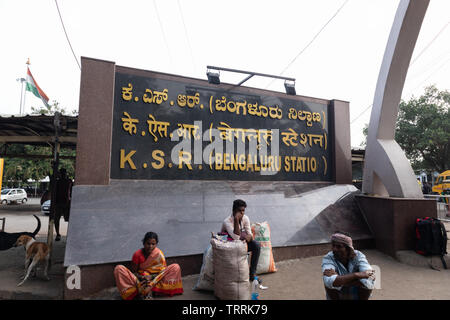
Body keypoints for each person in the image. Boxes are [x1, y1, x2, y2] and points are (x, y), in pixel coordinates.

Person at [114, 232, 184, 300]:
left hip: (156, 279)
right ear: (143, 243)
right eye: (148, 243)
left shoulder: (159, 254)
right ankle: (145, 291)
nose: (150, 246)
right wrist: (143, 277)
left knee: (175, 267)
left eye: (153, 244)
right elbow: (133, 272)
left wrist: (151, 277)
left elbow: (163, 272)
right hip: (141, 280)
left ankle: (147, 290)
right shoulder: (137, 254)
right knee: (119, 268)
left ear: (156, 244)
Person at [322, 231, 375, 300]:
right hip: (337, 295)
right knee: (329, 285)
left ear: (348, 248)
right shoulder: (328, 258)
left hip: (357, 295)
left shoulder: (358, 256)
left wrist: (340, 279)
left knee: (368, 284)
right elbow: (329, 281)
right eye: (333, 245)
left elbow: (371, 277)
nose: (334, 249)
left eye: (339, 246)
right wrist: (356, 275)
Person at [221, 199, 261, 281]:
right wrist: (236, 220)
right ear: (234, 210)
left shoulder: (245, 218)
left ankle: (252, 274)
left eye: (243, 211)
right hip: (229, 246)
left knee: (256, 245)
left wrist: (246, 238)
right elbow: (236, 237)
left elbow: (250, 235)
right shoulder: (227, 221)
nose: (242, 213)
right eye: (239, 211)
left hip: (241, 244)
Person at [53, 168, 73, 241]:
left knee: (67, 219)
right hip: (61, 203)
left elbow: (71, 191)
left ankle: (59, 234)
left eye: (63, 173)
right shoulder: (58, 182)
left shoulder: (68, 181)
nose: (62, 175)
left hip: (65, 203)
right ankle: (58, 234)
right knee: (56, 219)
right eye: (62, 173)